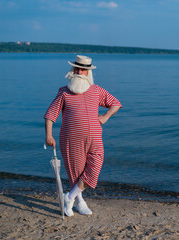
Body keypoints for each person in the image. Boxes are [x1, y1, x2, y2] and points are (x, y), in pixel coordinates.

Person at [44, 55, 122, 217]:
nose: (79, 72)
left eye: (83, 69)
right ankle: (80, 202)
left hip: (95, 138)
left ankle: (69, 196)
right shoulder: (64, 92)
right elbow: (51, 114)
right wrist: (48, 135)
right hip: (71, 139)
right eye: (77, 69)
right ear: (73, 70)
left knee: (94, 167)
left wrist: (105, 117)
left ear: (88, 72)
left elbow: (115, 103)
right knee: (76, 173)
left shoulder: (96, 90)